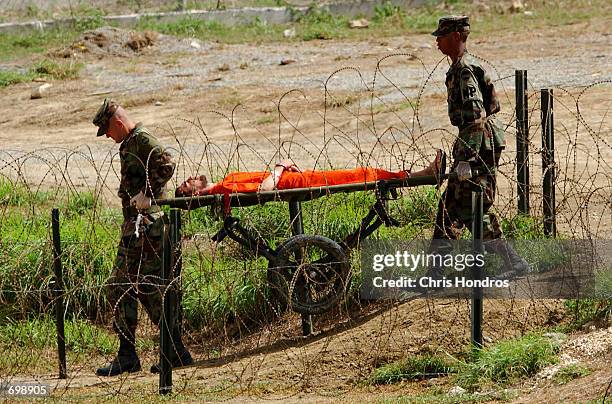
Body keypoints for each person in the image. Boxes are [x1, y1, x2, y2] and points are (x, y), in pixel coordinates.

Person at [92, 99, 193, 376]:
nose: (109, 137)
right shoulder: (131, 142)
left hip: (150, 226)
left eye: (108, 131)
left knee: (142, 287)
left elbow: (167, 163)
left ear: (118, 123)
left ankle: (169, 351)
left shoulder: (142, 139)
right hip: (136, 225)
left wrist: (149, 194)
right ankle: (142, 353)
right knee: (126, 286)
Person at [430, 16, 528, 275]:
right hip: (475, 143)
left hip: (478, 145)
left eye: (442, 35)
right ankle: (436, 274)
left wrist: (468, 159)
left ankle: (514, 263)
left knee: (474, 206)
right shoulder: (460, 68)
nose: (437, 40)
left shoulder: (464, 70)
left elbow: (476, 114)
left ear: (458, 36)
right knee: (454, 207)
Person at [175, 151, 443, 197]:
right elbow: (263, 190)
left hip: (298, 179)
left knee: (367, 173)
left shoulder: (224, 183)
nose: (188, 179)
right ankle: (424, 175)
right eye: (186, 186)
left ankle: (421, 174)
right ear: (195, 194)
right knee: (367, 175)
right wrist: (280, 168)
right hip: (298, 183)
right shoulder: (223, 189)